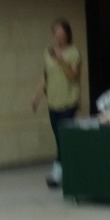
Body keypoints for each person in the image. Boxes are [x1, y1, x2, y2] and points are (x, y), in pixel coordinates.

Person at [30, 19, 82, 188]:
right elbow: (46, 77)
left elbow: (74, 77)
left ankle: (57, 175)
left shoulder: (74, 53)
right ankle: (64, 172)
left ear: (68, 36)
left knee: (63, 140)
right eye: (57, 36)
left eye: (63, 36)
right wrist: (37, 97)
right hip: (53, 102)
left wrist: (61, 60)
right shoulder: (48, 52)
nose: (59, 39)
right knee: (59, 139)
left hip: (68, 102)